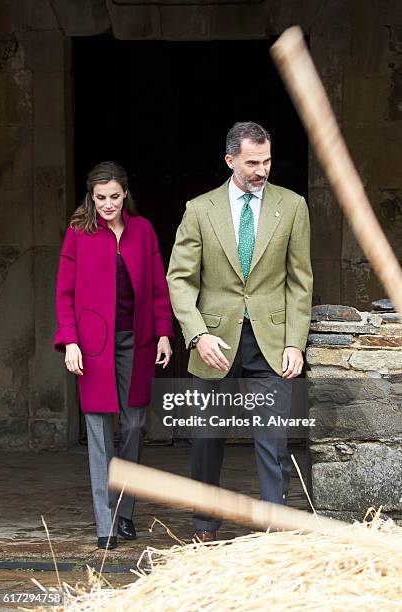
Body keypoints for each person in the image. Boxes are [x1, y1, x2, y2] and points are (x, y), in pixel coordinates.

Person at [167, 122, 313, 541]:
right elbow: (180, 279)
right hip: (214, 344)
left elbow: (300, 280)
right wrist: (196, 334)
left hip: (270, 343)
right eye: (252, 162)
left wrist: (294, 343)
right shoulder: (200, 209)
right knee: (207, 441)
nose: (262, 169)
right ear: (230, 160)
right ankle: (204, 525)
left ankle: (274, 533)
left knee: (273, 441)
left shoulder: (293, 205)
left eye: (267, 160)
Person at [54, 161, 173, 550]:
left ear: (126, 194)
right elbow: (64, 294)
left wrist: (163, 335)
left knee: (135, 425)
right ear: (92, 197)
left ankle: (124, 511)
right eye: (100, 197)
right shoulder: (78, 234)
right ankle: (105, 523)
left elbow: (158, 288)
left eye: (115, 197)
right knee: (99, 431)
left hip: (135, 341)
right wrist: (70, 341)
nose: (107, 205)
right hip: (92, 345)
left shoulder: (143, 231)